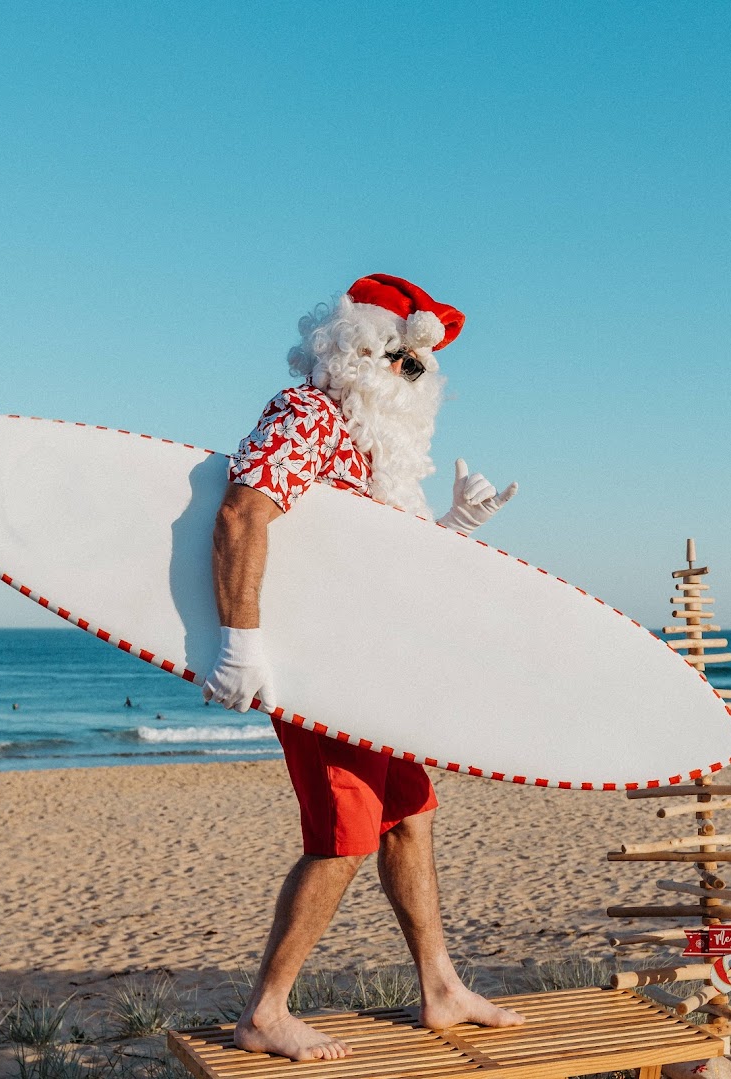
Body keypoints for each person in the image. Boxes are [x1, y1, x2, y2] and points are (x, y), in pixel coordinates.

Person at [203, 274, 522, 1061]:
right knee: (343, 837)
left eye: (419, 368)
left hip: (372, 665)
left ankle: (441, 987)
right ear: (349, 350)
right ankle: (265, 1011)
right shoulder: (308, 415)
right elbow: (244, 510)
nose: (407, 378)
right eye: (395, 359)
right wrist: (239, 639)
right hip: (318, 667)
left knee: (411, 814)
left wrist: (451, 526)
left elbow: (376, 568)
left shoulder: (373, 450)